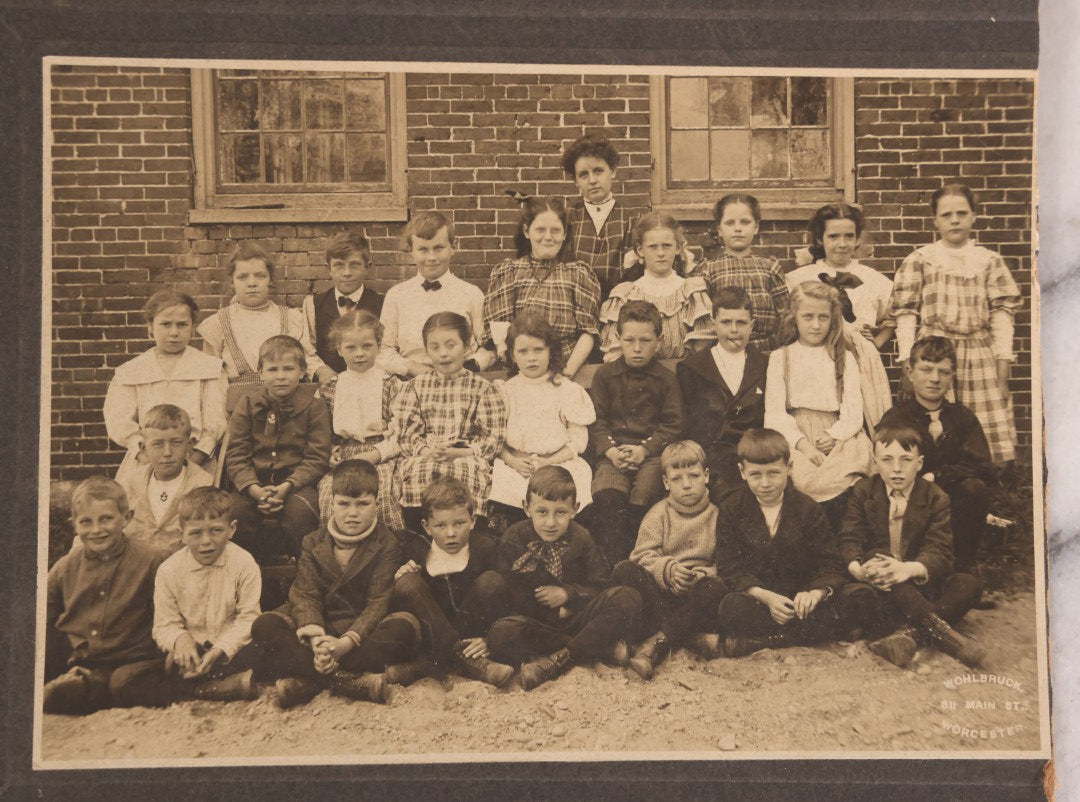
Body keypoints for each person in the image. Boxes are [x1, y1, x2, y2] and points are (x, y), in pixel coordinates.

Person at [247, 460, 421, 709]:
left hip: (361, 632)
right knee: (264, 625)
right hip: (322, 628)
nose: (353, 513)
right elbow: (305, 594)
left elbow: (378, 602)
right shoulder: (313, 542)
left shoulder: (387, 544)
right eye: (344, 504)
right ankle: (345, 680)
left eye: (363, 504)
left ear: (377, 505)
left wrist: (345, 644)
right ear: (331, 503)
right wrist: (317, 639)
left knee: (403, 629)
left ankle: (311, 679)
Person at [891, 182, 1023, 464]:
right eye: (947, 214)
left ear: (974, 216)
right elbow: (905, 313)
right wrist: (907, 360)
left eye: (962, 213)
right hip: (934, 353)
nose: (955, 220)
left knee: (980, 425)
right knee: (935, 424)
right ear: (935, 220)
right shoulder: (921, 260)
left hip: (978, 354)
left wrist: (1003, 366)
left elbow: (1002, 314)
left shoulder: (989, 261)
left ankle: (981, 489)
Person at [837, 424, 985, 668]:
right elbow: (849, 538)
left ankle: (907, 636)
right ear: (875, 462)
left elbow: (939, 551)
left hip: (918, 591)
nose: (896, 468)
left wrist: (907, 570)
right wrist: (858, 569)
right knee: (878, 556)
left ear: (919, 463)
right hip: (876, 587)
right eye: (887, 460)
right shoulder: (863, 492)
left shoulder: (935, 497)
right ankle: (943, 635)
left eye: (906, 459)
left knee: (968, 584)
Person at [487, 466, 642, 690]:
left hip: (577, 616)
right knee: (501, 633)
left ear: (574, 509)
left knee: (628, 597)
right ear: (526, 508)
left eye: (560, 512)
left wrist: (568, 594)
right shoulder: (514, 537)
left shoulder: (582, 537)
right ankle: (598, 647)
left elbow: (600, 584)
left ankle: (561, 658)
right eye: (542, 512)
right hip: (537, 624)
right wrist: (551, 612)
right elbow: (509, 592)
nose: (551, 522)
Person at [714, 429, 855, 658]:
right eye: (756, 475)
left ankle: (758, 642)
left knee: (859, 598)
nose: (765, 483)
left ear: (789, 468)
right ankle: (797, 637)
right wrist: (768, 598)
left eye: (774, 473)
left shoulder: (808, 508)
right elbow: (730, 566)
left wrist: (814, 594)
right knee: (731, 608)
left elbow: (829, 561)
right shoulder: (731, 509)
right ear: (742, 472)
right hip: (759, 600)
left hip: (801, 603)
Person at [44, 478, 169, 713]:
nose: (96, 530)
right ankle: (86, 687)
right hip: (88, 660)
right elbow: (39, 615)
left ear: (127, 518)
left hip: (137, 660)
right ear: (74, 525)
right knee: (52, 691)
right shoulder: (65, 567)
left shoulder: (152, 559)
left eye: (106, 519)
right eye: (86, 522)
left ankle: (101, 691)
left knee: (124, 683)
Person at [611, 441, 728, 680]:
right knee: (625, 570)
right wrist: (668, 570)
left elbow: (725, 564)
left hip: (695, 598)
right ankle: (689, 638)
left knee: (714, 588)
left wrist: (699, 575)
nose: (686, 485)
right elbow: (642, 555)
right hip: (662, 596)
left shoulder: (718, 516)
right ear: (666, 482)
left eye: (693, 476)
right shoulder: (658, 514)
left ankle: (656, 642)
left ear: (706, 476)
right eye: (677, 479)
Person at [878, 336, 995, 575]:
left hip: (954, 499)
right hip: (910, 497)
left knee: (974, 488)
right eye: (926, 369)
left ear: (952, 377)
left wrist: (937, 476)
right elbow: (887, 463)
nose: (934, 379)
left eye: (943, 372)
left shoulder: (963, 418)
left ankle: (964, 568)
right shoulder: (896, 418)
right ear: (910, 372)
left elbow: (981, 465)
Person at [765, 281, 872, 530]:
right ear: (794, 318)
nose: (816, 325)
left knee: (852, 478)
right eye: (808, 316)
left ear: (832, 319)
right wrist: (803, 446)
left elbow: (853, 408)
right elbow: (774, 414)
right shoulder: (781, 358)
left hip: (840, 434)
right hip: (797, 436)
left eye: (823, 317)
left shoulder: (843, 357)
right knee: (803, 481)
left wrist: (835, 435)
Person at [391, 476, 515, 687]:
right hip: (432, 636)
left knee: (492, 581)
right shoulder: (415, 550)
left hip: (470, 632)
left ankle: (434, 663)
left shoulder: (486, 548)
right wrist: (400, 576)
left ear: (473, 521)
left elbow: (506, 600)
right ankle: (460, 658)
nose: (451, 533)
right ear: (427, 526)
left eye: (459, 523)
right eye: (440, 525)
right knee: (406, 583)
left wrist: (489, 640)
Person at [586, 300, 684, 564]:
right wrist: (610, 450)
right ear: (618, 338)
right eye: (629, 340)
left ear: (659, 340)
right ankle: (613, 564)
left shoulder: (665, 379)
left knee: (646, 494)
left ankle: (641, 562)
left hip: (651, 454)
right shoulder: (605, 376)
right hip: (613, 453)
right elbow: (596, 421)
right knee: (607, 496)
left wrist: (645, 449)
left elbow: (673, 424)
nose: (637, 348)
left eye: (645, 340)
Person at [393, 312, 507, 533]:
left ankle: (470, 535)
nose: (443, 353)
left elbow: (492, 437)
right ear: (426, 350)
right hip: (427, 454)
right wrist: (426, 451)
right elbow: (406, 433)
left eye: (451, 345)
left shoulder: (482, 388)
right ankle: (420, 537)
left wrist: (462, 453)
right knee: (418, 472)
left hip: (466, 455)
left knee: (467, 473)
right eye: (434, 347)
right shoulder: (415, 387)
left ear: (466, 347)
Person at [786, 203, 894, 430]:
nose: (842, 244)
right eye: (833, 236)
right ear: (819, 239)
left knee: (865, 418)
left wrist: (877, 341)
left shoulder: (873, 280)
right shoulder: (798, 278)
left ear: (857, 239)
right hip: (815, 358)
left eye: (849, 236)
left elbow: (893, 317)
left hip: (860, 360)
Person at [151, 486, 262, 703]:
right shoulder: (169, 570)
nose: (206, 541)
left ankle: (208, 686)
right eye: (195, 533)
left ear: (231, 529)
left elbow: (249, 616)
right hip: (193, 651)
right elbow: (164, 624)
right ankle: (218, 687)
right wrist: (180, 640)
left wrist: (221, 649)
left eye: (215, 530)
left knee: (260, 646)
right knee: (169, 663)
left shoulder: (244, 563)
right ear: (182, 533)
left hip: (231, 649)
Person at [225, 335, 331, 563]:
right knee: (235, 514)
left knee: (301, 514)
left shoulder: (315, 407)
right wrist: (253, 489)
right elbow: (236, 454)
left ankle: (305, 578)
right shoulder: (247, 404)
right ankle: (249, 577)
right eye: (273, 370)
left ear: (302, 371)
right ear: (261, 372)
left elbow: (317, 456)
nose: (280, 376)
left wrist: (286, 486)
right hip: (252, 484)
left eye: (288, 369)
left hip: (296, 485)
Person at [103, 288, 226, 479]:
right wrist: (145, 457)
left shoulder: (210, 367)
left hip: (196, 461)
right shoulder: (130, 371)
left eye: (182, 325)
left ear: (193, 327)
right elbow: (119, 421)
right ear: (150, 326)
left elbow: (215, 421)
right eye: (166, 324)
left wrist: (195, 460)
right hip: (145, 461)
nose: (174, 333)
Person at [488, 311, 596, 521]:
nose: (531, 358)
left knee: (570, 487)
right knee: (507, 489)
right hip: (517, 466)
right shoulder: (505, 391)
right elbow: (494, 439)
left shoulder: (566, 390)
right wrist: (512, 461)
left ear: (550, 351)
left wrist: (548, 462)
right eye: (523, 351)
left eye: (538, 350)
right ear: (512, 355)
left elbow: (577, 442)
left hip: (558, 463)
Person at [482, 196, 601, 379]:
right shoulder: (509, 272)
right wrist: (520, 371)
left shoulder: (578, 273)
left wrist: (567, 373)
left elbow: (588, 332)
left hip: (566, 372)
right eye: (540, 230)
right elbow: (500, 331)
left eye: (555, 230)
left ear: (565, 234)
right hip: (519, 372)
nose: (548, 237)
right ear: (527, 231)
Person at [315, 310, 404, 532]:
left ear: (378, 345)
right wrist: (330, 452)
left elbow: (401, 432)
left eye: (367, 346)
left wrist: (375, 455)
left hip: (380, 456)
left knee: (381, 494)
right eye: (351, 348)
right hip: (344, 456)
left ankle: (389, 552)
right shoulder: (330, 388)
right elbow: (317, 431)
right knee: (330, 495)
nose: (359, 354)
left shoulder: (391, 385)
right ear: (339, 349)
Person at [676, 286, 768, 500]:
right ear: (713, 323)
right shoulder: (693, 368)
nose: (734, 330)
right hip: (712, 459)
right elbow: (686, 425)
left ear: (751, 325)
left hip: (755, 455)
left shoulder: (764, 364)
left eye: (741, 323)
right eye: (726, 322)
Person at [378, 211, 493, 378]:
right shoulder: (396, 295)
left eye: (439, 248)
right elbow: (384, 351)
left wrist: (467, 368)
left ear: (453, 247)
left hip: (461, 380)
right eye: (423, 250)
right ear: (411, 251)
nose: (431, 257)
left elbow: (488, 347)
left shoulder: (471, 294)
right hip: (411, 382)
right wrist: (411, 367)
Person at [198, 241, 325, 387]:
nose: (252, 283)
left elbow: (307, 358)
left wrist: (322, 371)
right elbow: (211, 377)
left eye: (260, 276)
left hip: (286, 400)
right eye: (242, 277)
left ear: (270, 279)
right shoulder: (218, 323)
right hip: (237, 403)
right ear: (232, 282)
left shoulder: (291, 318)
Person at [599, 212, 714, 361]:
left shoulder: (692, 292)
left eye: (666, 246)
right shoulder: (625, 294)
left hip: (683, 376)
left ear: (678, 248)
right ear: (640, 250)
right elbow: (615, 354)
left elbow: (703, 352)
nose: (660, 253)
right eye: (653, 247)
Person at [692, 194, 790, 353]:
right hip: (724, 351)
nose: (738, 228)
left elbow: (786, 317)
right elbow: (704, 323)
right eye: (730, 223)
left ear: (756, 227)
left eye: (745, 222)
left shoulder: (770, 268)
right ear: (719, 229)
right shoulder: (707, 270)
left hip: (766, 352)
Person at [118, 404, 213, 554]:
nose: (167, 452)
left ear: (189, 445)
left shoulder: (202, 485)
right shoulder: (129, 483)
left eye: (176, 442)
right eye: (157, 444)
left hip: (180, 566)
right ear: (143, 448)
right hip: (136, 566)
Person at [561, 133, 639, 297]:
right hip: (575, 301)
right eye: (583, 175)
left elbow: (633, 276)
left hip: (617, 303)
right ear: (576, 181)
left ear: (613, 171)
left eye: (598, 171)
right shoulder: (567, 218)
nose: (592, 180)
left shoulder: (631, 219)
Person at [301, 229, 384, 378]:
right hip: (328, 386)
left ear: (367, 267)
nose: (347, 273)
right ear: (329, 269)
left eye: (354, 265)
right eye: (339, 265)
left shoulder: (383, 304)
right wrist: (321, 370)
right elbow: (307, 350)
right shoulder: (313, 304)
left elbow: (386, 349)